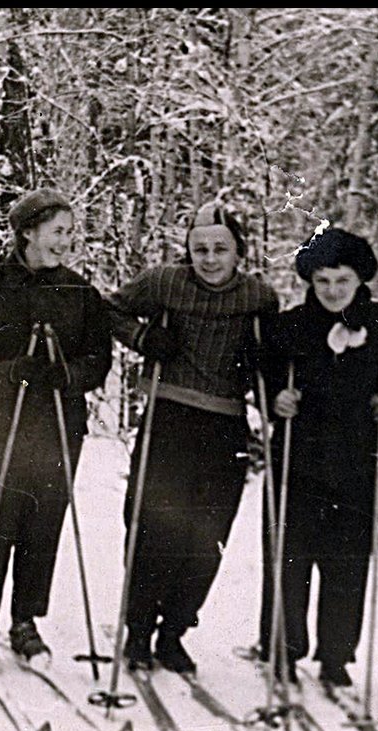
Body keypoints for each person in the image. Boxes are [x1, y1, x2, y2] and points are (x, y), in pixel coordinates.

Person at [109, 201, 280, 674]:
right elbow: (111, 311)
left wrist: (261, 361)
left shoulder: (259, 298)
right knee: (152, 524)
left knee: (207, 536)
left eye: (220, 249)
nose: (209, 258)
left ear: (238, 252)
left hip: (225, 422)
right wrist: (144, 338)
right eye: (200, 248)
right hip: (169, 413)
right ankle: (139, 630)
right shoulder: (164, 282)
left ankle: (174, 631)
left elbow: (273, 347)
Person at [251, 227, 378, 687]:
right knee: (289, 554)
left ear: (359, 280)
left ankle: (336, 656)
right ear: (310, 280)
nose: (331, 290)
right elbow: (260, 374)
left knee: (346, 558)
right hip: (296, 457)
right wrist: (275, 399)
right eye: (323, 280)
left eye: (341, 281)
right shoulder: (287, 327)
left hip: (356, 458)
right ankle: (282, 648)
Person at [0, 188, 112, 661]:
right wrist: (5, 372)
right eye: (57, 232)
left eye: (70, 233)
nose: (66, 242)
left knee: (43, 523)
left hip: (56, 428)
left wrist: (69, 376)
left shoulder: (80, 294)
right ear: (27, 233)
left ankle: (25, 620)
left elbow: (99, 358)